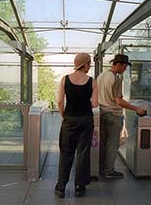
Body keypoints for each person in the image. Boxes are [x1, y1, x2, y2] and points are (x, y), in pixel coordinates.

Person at [55, 53, 98, 198]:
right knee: (83, 153)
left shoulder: (65, 79)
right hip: (86, 120)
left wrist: (64, 116)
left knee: (66, 152)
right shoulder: (92, 81)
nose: (90, 66)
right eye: (89, 63)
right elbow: (95, 103)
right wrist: (84, 103)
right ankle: (80, 187)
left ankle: (61, 187)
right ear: (85, 64)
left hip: (69, 120)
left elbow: (60, 102)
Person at [97, 54, 146, 179]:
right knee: (113, 143)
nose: (124, 69)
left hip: (101, 113)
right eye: (124, 67)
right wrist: (137, 108)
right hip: (113, 114)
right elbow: (119, 101)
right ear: (118, 65)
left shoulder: (101, 76)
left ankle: (101, 168)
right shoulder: (116, 79)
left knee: (103, 143)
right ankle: (109, 171)